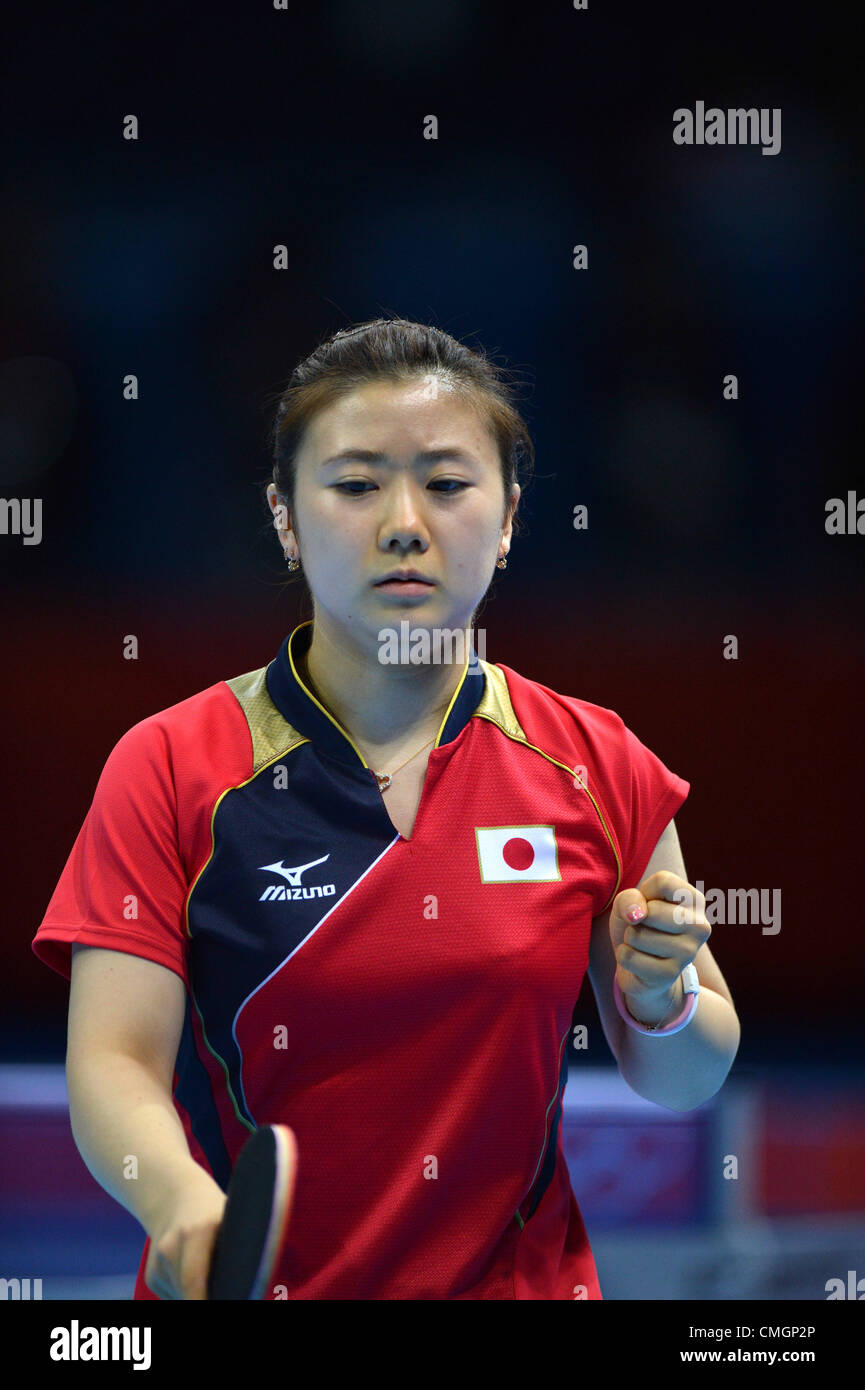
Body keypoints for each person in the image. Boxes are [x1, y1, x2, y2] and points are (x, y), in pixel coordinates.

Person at [32, 317, 740, 1300]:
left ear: (507, 518)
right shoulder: (170, 765)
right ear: (284, 516)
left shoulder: (593, 759)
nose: (404, 520)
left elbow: (687, 1076)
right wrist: (186, 1214)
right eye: (356, 484)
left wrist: (659, 1006)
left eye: (447, 484)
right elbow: (112, 1063)